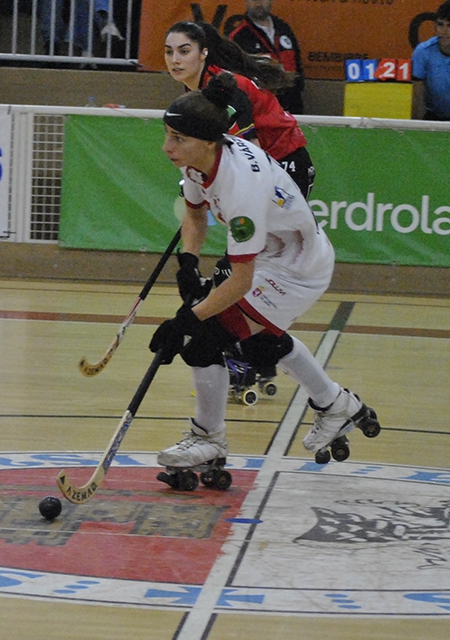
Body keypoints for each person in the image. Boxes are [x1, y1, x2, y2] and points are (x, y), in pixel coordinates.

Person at [147, 85, 379, 476]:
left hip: (295, 267)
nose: (167, 147)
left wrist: (185, 322)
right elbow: (195, 214)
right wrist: (187, 262)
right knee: (257, 346)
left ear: (206, 142)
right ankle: (336, 404)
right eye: (167, 135)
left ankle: (208, 439)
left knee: (202, 342)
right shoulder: (199, 160)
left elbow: (239, 281)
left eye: (178, 139)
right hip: (273, 256)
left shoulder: (242, 191)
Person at [163, 20, 311, 195]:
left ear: (203, 53)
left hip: (284, 163)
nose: (175, 60)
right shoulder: (196, 86)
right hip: (260, 164)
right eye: (169, 52)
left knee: (266, 223)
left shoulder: (227, 88)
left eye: (184, 51)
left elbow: (251, 148)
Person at [227, 0, 304, 115]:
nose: (258, 3)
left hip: (292, 106)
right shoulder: (239, 36)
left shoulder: (283, 28)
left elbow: (297, 65)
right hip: (260, 109)